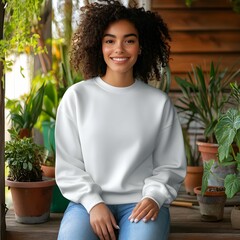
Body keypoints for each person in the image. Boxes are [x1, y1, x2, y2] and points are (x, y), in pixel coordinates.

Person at [55, 1, 186, 239]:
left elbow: (169, 165)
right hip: (88, 206)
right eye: (109, 40)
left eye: (129, 40)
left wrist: (154, 197)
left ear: (141, 46)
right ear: (99, 45)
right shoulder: (77, 97)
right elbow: (69, 165)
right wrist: (93, 203)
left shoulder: (158, 103)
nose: (119, 49)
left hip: (141, 204)